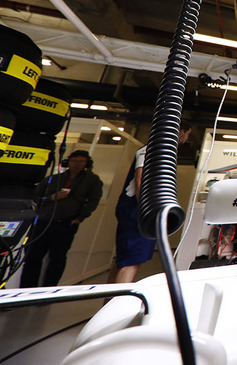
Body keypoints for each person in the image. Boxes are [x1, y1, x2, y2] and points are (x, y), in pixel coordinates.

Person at [108, 122, 192, 283]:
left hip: (138, 208)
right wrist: (145, 210)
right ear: (181, 131)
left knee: (124, 260)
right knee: (132, 262)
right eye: (187, 134)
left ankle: (108, 303)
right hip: (137, 209)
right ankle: (120, 305)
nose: (187, 139)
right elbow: (140, 178)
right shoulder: (151, 149)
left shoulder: (163, 152)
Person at [21, 150, 102, 287]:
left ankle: (49, 290)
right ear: (68, 162)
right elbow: (36, 196)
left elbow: (93, 201)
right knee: (32, 256)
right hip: (44, 221)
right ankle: (26, 290)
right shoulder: (55, 178)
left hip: (66, 223)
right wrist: (51, 198)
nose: (76, 164)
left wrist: (80, 218)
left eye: (81, 161)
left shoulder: (91, 180)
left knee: (57, 258)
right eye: (74, 161)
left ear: (86, 163)